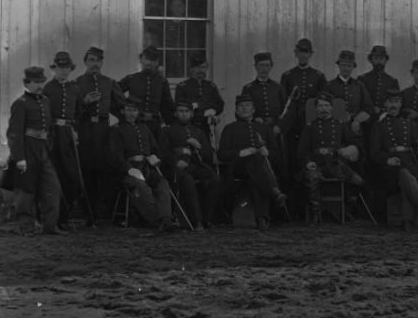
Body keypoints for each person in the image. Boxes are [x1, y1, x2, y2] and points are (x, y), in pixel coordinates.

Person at [218, 94, 289, 231]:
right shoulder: (230, 128)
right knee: (256, 164)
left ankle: (261, 219)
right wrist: (241, 153)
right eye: (241, 106)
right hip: (238, 169)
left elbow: (276, 154)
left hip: (259, 170)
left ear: (254, 109)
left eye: (247, 106)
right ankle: (273, 193)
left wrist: (267, 152)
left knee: (256, 173)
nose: (244, 109)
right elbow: (221, 154)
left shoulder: (264, 128)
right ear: (236, 110)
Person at [6, 66, 64, 236]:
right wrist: (20, 158)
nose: (40, 85)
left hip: (43, 151)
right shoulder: (20, 104)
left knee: (52, 188)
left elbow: (49, 127)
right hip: (27, 150)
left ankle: (50, 226)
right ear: (27, 83)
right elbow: (14, 133)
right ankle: (26, 228)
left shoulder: (45, 101)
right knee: (26, 191)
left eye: (42, 81)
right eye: (36, 82)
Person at [109, 97, 180, 232]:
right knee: (141, 185)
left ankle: (166, 219)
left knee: (162, 183)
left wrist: (154, 156)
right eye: (128, 110)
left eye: (134, 110)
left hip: (147, 168)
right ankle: (156, 220)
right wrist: (128, 169)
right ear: (123, 111)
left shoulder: (144, 128)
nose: (131, 113)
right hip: (127, 171)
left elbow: (155, 148)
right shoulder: (116, 130)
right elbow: (115, 156)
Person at [297, 91, 365, 223]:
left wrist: (349, 150)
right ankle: (316, 212)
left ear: (331, 107)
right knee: (312, 177)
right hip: (317, 163)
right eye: (320, 106)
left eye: (326, 105)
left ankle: (347, 209)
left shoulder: (340, 125)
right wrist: (307, 162)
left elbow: (353, 143)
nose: (323, 109)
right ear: (316, 108)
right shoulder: (310, 127)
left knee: (358, 181)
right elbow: (301, 151)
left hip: (336, 163)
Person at [75, 46, 126, 219]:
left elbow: (120, 108)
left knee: (104, 169)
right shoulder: (78, 83)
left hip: (104, 131)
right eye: (91, 60)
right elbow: (73, 112)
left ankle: (103, 211)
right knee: (87, 169)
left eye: (98, 60)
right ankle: (88, 212)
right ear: (85, 62)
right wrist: (85, 102)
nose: (95, 64)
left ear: (102, 62)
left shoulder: (109, 83)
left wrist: (122, 127)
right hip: (86, 130)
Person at [369, 88, 418, 225]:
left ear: (400, 104)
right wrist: (388, 159)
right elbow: (374, 153)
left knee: (407, 174)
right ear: (385, 104)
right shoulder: (378, 126)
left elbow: (417, 144)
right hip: (389, 167)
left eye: (397, 102)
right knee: (403, 173)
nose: (393, 105)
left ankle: (409, 219)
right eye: (390, 102)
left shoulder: (408, 124)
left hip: (409, 163)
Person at [162, 99, 221, 230]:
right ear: (175, 114)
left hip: (195, 166)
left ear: (191, 114)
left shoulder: (198, 132)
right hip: (176, 168)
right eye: (180, 111)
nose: (184, 114)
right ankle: (197, 220)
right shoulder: (168, 130)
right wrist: (176, 161)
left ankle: (207, 218)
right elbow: (163, 152)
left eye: (187, 112)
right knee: (187, 180)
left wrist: (198, 146)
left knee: (214, 179)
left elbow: (208, 156)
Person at [43, 51, 87, 228]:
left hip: (68, 136)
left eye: (67, 68)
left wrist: (75, 130)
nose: (63, 71)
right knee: (54, 175)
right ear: (54, 69)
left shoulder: (74, 89)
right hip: (52, 136)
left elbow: (79, 113)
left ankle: (66, 211)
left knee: (72, 176)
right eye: (60, 68)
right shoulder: (47, 89)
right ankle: (55, 217)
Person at [242, 51, 290, 179]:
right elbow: (242, 111)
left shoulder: (278, 88)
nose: (264, 69)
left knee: (278, 162)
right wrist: (253, 120)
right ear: (256, 67)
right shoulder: (248, 88)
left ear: (271, 67)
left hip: (275, 130)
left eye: (267, 65)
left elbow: (287, 111)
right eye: (261, 65)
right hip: (258, 131)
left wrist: (279, 126)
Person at [324, 50, 374, 167]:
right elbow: (322, 107)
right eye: (343, 65)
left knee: (357, 160)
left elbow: (368, 108)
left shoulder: (359, 86)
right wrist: (337, 116)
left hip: (353, 130)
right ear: (339, 66)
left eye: (349, 65)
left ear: (353, 67)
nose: (346, 68)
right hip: (334, 129)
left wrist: (357, 120)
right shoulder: (329, 86)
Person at [119, 46, 176, 138]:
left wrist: (171, 126)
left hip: (154, 126)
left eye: (153, 60)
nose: (149, 63)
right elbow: (115, 94)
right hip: (134, 124)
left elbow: (167, 106)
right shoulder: (131, 79)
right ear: (141, 59)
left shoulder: (162, 81)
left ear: (157, 62)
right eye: (146, 59)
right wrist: (123, 113)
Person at [174, 54, 225, 145]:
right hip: (189, 126)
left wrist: (212, 110)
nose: (201, 70)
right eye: (197, 67)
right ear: (191, 69)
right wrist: (204, 110)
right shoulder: (183, 87)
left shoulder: (211, 86)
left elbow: (220, 104)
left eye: (203, 67)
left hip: (207, 127)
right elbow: (182, 106)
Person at [357, 45, 401, 123]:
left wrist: (382, 110)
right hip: (365, 120)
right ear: (371, 60)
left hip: (385, 120)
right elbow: (358, 101)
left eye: (381, 58)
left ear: (385, 60)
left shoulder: (392, 81)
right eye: (376, 58)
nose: (379, 61)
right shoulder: (362, 79)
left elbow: (395, 102)